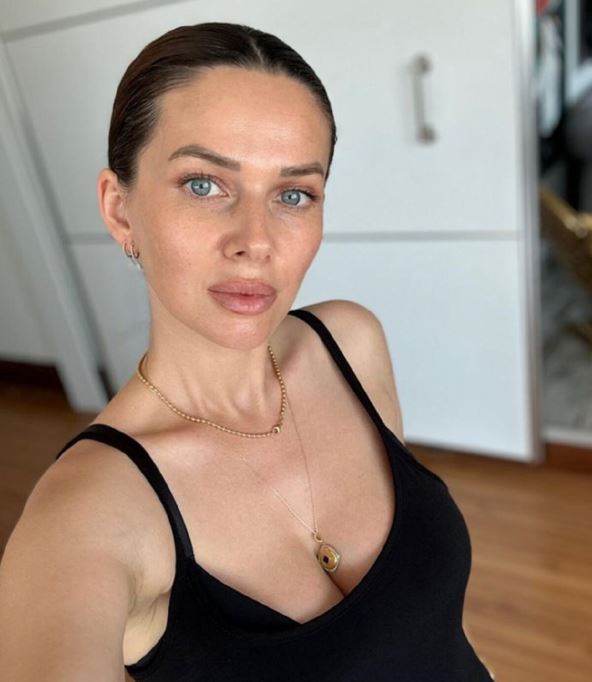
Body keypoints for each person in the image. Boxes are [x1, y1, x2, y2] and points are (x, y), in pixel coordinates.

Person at [0, 22, 494, 681]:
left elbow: (431, 625)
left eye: (293, 194)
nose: (256, 242)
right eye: (204, 185)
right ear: (120, 211)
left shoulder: (350, 344)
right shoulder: (90, 513)